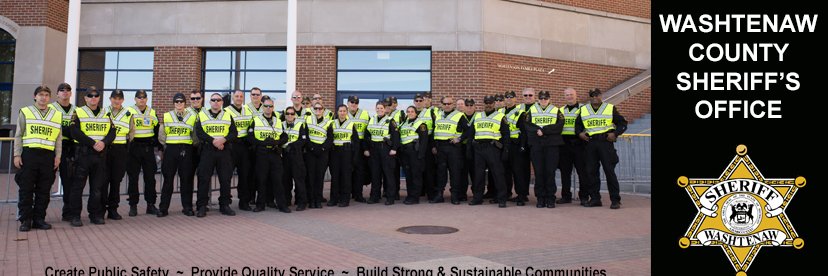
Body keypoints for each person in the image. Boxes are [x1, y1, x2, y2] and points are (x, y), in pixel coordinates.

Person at [13, 85, 63, 231]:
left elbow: (58, 139)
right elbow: (18, 134)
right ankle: (25, 220)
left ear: (50, 98)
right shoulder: (26, 112)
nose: (43, 97)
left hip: (48, 156)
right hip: (29, 155)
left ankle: (39, 219)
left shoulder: (56, 115)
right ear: (35, 96)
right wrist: (17, 154)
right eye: (40, 94)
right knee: (26, 188)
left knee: (44, 189)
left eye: (46, 95)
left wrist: (58, 156)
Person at [69, 86, 116, 226]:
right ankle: (75, 216)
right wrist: (92, 143)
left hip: (100, 155)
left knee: (97, 188)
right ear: (85, 98)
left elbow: (112, 132)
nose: (93, 98)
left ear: (99, 98)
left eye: (96, 95)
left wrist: (104, 142)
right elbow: (74, 131)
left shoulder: (106, 113)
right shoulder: (78, 112)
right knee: (78, 187)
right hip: (83, 154)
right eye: (90, 95)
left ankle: (95, 215)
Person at [576, 88, 628, 209]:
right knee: (591, 172)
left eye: (596, 95)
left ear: (601, 95)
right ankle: (595, 199)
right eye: (592, 95)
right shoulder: (583, 109)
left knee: (609, 171)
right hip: (590, 143)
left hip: (605, 142)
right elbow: (577, 125)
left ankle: (615, 200)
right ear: (589, 97)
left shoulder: (609, 108)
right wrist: (579, 134)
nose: (594, 97)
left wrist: (615, 134)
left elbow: (622, 123)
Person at [194, 93, 238, 217]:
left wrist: (223, 140)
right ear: (210, 102)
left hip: (223, 150)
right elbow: (199, 132)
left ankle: (224, 205)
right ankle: (202, 205)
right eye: (213, 100)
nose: (216, 102)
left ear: (222, 102)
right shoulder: (202, 115)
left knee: (225, 179)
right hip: (207, 150)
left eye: (218, 100)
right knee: (204, 178)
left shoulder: (228, 115)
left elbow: (234, 133)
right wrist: (213, 141)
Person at [157, 93, 198, 216]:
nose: (179, 104)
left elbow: (195, 136)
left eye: (181, 102)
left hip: (186, 150)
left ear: (185, 103)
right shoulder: (167, 116)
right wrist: (170, 145)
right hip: (171, 150)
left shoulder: (192, 116)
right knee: (168, 180)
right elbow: (161, 135)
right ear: (174, 103)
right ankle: (163, 208)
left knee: (186, 180)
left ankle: (187, 207)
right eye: (177, 102)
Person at [248, 97, 290, 213]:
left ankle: (282, 205)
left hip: (275, 153)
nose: (268, 108)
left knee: (278, 180)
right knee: (261, 180)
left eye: (270, 106)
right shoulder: (255, 120)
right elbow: (250, 137)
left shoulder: (278, 121)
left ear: (273, 108)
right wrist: (262, 143)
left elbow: (284, 136)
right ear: (262, 107)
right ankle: (260, 205)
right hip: (262, 153)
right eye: (266, 106)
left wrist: (277, 143)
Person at [467, 96, 510, 207]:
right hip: (478, 148)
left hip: (493, 148)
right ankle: (477, 198)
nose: (488, 104)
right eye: (486, 102)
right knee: (478, 175)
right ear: (483, 103)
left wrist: (505, 150)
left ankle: (501, 199)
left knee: (498, 174)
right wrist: (469, 150)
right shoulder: (478, 116)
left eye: (490, 102)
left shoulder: (501, 116)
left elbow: (506, 135)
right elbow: (471, 134)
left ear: (494, 103)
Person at [524, 90, 565, 208]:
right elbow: (527, 125)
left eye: (545, 98)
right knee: (539, 172)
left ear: (549, 99)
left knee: (550, 172)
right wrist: (537, 130)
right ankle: (540, 198)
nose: (543, 100)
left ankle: (550, 198)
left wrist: (544, 130)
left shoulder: (556, 110)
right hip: (537, 145)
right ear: (538, 99)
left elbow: (560, 125)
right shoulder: (531, 110)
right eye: (541, 98)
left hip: (551, 145)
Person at [126, 90, 160, 216]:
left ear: (147, 99)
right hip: (134, 148)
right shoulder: (129, 111)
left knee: (150, 178)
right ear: (135, 99)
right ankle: (133, 205)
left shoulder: (152, 112)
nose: (141, 100)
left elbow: (157, 129)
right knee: (133, 178)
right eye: (139, 97)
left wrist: (155, 143)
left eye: (144, 97)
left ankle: (150, 205)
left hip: (148, 148)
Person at [101, 90, 133, 220]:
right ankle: (101, 209)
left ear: (123, 100)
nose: (117, 100)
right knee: (103, 180)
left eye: (119, 98)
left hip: (120, 150)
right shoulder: (103, 112)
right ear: (110, 99)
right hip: (105, 149)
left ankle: (113, 210)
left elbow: (131, 132)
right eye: (114, 98)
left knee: (116, 181)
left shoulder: (128, 113)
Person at [432, 96, 470, 204]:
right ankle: (439, 195)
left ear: (453, 104)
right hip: (440, 147)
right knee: (440, 173)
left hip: (453, 148)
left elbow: (469, 130)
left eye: (449, 104)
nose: (447, 106)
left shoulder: (459, 115)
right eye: (445, 104)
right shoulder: (438, 115)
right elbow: (435, 131)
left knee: (455, 172)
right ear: (441, 105)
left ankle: (455, 196)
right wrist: (434, 146)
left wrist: (459, 139)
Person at [50, 83, 77, 222]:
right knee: (46, 181)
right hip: (52, 148)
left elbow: (78, 130)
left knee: (69, 182)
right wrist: (70, 131)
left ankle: (68, 212)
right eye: (62, 90)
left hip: (70, 148)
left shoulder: (76, 110)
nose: (65, 93)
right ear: (57, 94)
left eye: (68, 90)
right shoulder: (50, 108)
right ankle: (36, 213)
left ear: (71, 94)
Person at [364, 100, 399, 204]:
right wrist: (366, 149)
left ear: (385, 109)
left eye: (381, 108)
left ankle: (390, 197)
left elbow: (396, 136)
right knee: (375, 174)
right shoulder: (372, 119)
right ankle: (374, 196)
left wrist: (394, 149)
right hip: (374, 149)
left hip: (385, 149)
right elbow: (367, 135)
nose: (379, 110)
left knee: (388, 174)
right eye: (378, 108)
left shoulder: (390, 120)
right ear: (375, 109)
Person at [224, 90, 254, 211]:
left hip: (245, 147)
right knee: (226, 175)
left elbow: (251, 127)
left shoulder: (248, 110)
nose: (239, 98)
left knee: (244, 175)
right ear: (233, 97)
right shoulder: (226, 111)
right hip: (231, 146)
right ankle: (225, 202)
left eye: (241, 96)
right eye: (237, 96)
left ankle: (244, 201)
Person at [558, 88, 588, 205]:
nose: (569, 97)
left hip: (580, 143)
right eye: (567, 95)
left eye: (571, 94)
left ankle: (584, 197)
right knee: (565, 172)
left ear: (576, 96)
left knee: (582, 172)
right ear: (564, 97)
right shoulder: (560, 110)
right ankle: (566, 196)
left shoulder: (584, 109)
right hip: (564, 143)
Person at [502, 90, 531, 205]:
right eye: (507, 97)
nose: (509, 99)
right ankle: (506, 193)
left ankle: (521, 195)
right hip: (504, 144)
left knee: (518, 171)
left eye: (511, 97)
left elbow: (524, 131)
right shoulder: (500, 111)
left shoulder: (520, 112)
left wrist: (523, 145)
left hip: (516, 144)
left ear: (515, 99)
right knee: (505, 171)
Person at [329, 105, 361, 207]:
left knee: (345, 177)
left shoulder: (351, 124)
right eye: (340, 111)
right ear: (337, 112)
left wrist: (354, 158)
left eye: (344, 111)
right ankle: (334, 199)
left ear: (346, 112)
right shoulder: (332, 123)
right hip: (335, 152)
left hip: (346, 152)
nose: (342, 113)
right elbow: (329, 139)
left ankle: (345, 199)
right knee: (335, 176)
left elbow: (356, 142)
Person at [304, 103, 333, 208]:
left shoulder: (328, 122)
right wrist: (311, 147)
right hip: (310, 152)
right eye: (315, 108)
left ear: (323, 110)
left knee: (319, 177)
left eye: (320, 108)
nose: (318, 110)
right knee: (311, 177)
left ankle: (318, 200)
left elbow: (330, 138)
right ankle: (311, 200)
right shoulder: (308, 120)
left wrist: (323, 148)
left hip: (322, 153)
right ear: (313, 109)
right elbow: (305, 136)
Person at [399, 106, 429, 205]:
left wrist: (421, 155)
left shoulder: (421, 124)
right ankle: (409, 195)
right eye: (408, 111)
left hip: (415, 153)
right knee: (408, 175)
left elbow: (424, 141)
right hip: (405, 153)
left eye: (412, 111)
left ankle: (415, 197)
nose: (410, 113)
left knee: (416, 175)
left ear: (416, 113)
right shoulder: (404, 123)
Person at [281, 106, 309, 211]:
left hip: (296, 155)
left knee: (299, 180)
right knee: (285, 180)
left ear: (295, 115)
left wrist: (292, 145)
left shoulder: (300, 124)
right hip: (284, 156)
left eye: (292, 114)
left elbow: (303, 140)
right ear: (285, 115)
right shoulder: (281, 124)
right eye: (288, 113)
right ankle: (287, 200)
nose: (290, 115)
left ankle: (302, 202)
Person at [346, 96, 370, 202]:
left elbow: (368, 131)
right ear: (348, 103)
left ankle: (358, 194)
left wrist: (366, 147)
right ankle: (346, 193)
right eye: (352, 102)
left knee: (359, 171)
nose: (354, 104)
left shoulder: (365, 114)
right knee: (347, 170)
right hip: (347, 144)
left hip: (360, 145)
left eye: (356, 102)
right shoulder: (342, 112)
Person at [414, 93, 436, 199]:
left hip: (427, 144)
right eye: (417, 101)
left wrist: (433, 145)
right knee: (418, 169)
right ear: (414, 102)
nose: (418, 103)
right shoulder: (409, 113)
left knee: (429, 170)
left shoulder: (430, 112)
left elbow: (435, 128)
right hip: (414, 145)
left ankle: (430, 193)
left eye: (420, 100)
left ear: (424, 102)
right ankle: (420, 191)